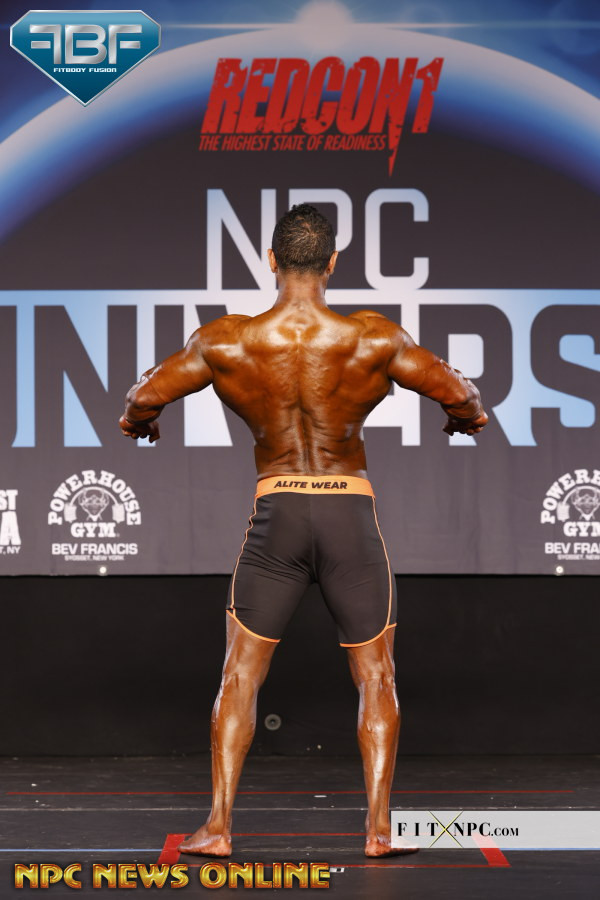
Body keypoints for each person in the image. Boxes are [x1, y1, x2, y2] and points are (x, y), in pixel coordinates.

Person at [119, 204, 488, 858]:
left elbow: (142, 398)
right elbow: (462, 395)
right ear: (333, 263)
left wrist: (142, 425)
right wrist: (462, 420)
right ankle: (378, 830)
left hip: (278, 518)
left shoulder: (227, 341)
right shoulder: (373, 339)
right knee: (376, 675)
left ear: (271, 260)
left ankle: (219, 828)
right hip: (349, 517)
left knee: (240, 674)